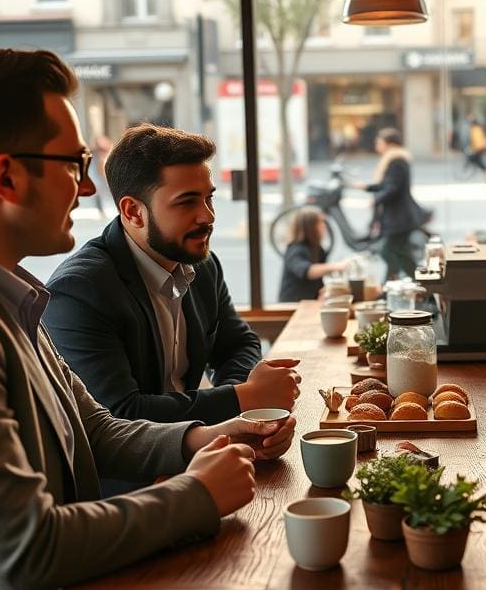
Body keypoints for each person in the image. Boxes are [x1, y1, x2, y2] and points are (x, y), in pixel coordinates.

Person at [0, 48, 294, 590]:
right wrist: (195, 495)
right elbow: (26, 550)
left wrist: (209, 435)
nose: (87, 186)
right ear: (6, 179)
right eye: (74, 164)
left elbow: (93, 428)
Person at [44, 123, 300, 445]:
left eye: (208, 198)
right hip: (126, 473)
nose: (208, 216)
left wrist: (241, 421)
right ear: (133, 212)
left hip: (199, 452)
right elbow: (121, 415)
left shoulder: (201, 265)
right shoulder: (80, 291)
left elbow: (236, 345)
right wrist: (243, 398)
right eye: (187, 202)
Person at [350, 128, 427, 281]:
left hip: (400, 217)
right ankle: (393, 282)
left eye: (379, 142)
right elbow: (387, 185)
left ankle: (413, 281)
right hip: (400, 216)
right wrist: (367, 187)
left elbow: (392, 188)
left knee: (390, 251)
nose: (377, 145)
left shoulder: (397, 162)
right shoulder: (396, 161)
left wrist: (376, 199)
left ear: (390, 144)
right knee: (397, 251)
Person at [278, 206, 349, 302]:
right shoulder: (296, 249)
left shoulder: (318, 249)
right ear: (310, 227)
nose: (324, 226)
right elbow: (307, 271)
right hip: (293, 304)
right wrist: (335, 266)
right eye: (321, 222)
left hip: (310, 301)